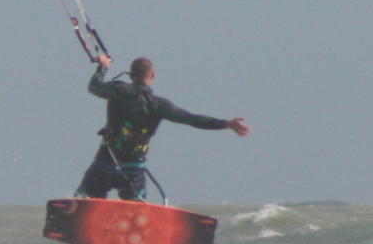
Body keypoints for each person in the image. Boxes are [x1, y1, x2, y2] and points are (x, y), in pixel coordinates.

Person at [74, 54, 250, 201]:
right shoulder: (159, 105)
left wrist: (102, 66)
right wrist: (226, 124)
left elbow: (94, 87)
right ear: (153, 75)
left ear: (131, 75)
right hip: (133, 171)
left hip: (105, 165)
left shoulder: (118, 90)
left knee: (84, 199)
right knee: (136, 213)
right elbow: (190, 119)